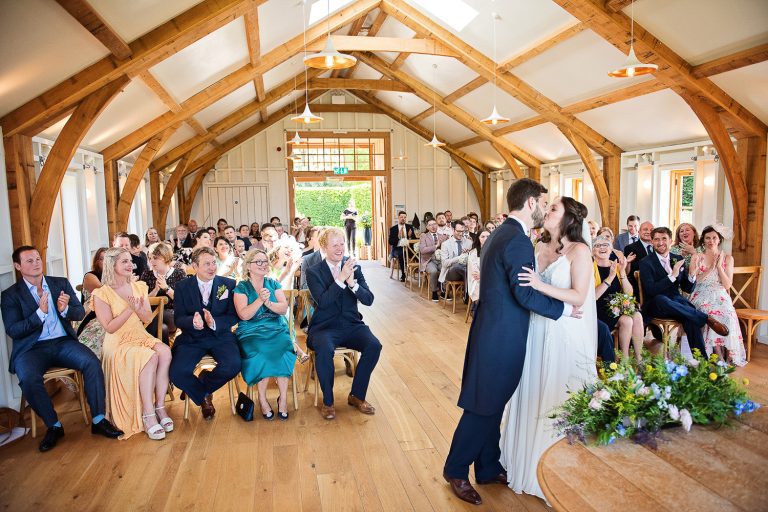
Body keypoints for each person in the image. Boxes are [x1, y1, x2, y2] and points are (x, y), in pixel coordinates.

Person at [443, 181, 578, 505]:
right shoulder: (516, 239)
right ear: (531, 203)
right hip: (500, 335)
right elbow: (524, 293)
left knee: (493, 401)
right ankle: (456, 469)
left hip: (493, 328)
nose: (545, 209)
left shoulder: (503, 233)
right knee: (482, 405)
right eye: (543, 203)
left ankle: (488, 466)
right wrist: (564, 309)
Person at [500, 196, 597, 501]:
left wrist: (539, 285)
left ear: (568, 218)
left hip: (563, 331)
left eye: (554, 208)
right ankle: (524, 460)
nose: (547, 210)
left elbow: (580, 296)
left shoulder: (579, 251)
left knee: (557, 392)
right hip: (536, 328)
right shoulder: (539, 246)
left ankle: (560, 471)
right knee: (532, 387)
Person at [2, 246, 123, 452]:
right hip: (32, 349)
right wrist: (40, 314)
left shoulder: (59, 283)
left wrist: (64, 309)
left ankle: (99, 419)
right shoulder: (10, 295)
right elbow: (14, 330)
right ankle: (54, 426)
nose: (36, 263)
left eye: (38, 258)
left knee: (92, 362)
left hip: (63, 343)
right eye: (29, 261)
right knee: (28, 378)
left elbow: (78, 313)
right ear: (17, 266)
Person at [92, 248, 173, 440]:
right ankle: (148, 415)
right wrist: (130, 309)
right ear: (112, 265)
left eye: (130, 261)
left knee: (165, 351)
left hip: (139, 334)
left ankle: (159, 406)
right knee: (150, 356)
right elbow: (110, 328)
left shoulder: (139, 287)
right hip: (118, 341)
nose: (130, 265)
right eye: (124, 262)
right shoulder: (101, 293)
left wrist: (139, 308)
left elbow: (146, 318)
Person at [306, 228, 381, 421]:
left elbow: (369, 300)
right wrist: (340, 279)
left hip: (351, 324)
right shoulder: (313, 272)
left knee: (374, 345)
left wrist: (353, 284)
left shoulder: (354, 267)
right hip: (324, 327)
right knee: (324, 350)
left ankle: (356, 395)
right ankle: (328, 402)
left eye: (342, 244)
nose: (340, 249)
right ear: (324, 247)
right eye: (335, 245)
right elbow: (323, 302)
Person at [170, 247, 241, 420]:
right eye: (206, 264)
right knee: (177, 373)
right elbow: (179, 318)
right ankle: (203, 396)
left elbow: (233, 316)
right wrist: (192, 322)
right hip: (192, 338)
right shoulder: (182, 287)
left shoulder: (228, 284)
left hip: (220, 337)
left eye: (213, 263)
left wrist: (214, 323)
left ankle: (200, 385)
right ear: (194, 266)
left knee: (233, 364)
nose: (212, 267)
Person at [639, 227, 729, 357]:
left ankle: (702, 361)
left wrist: (692, 274)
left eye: (664, 239)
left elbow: (687, 288)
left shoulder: (677, 258)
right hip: (656, 305)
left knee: (690, 320)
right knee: (661, 299)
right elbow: (651, 290)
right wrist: (672, 276)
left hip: (677, 304)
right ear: (652, 242)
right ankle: (706, 318)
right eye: (656, 239)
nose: (660, 243)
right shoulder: (645, 262)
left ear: (670, 241)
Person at [234, 249, 300, 420]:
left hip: (275, 328)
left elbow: (283, 308)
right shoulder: (241, 287)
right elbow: (244, 315)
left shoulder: (273, 283)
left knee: (284, 349)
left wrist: (268, 302)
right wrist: (259, 300)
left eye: (265, 261)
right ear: (249, 266)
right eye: (259, 262)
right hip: (251, 331)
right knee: (260, 353)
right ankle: (262, 400)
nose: (263, 265)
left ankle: (283, 399)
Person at [689, 225, 746, 366]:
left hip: (720, 293)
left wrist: (719, 267)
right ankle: (717, 355)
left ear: (719, 240)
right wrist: (712, 267)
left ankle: (727, 354)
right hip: (700, 292)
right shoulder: (697, 257)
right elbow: (695, 280)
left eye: (714, 237)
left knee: (728, 313)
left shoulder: (728, 258)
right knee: (710, 313)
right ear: (703, 240)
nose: (711, 241)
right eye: (707, 238)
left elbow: (727, 285)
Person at [593, 235, 644, 363]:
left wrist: (621, 273)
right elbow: (592, 297)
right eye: (598, 245)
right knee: (626, 321)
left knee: (637, 316)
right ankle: (625, 360)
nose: (602, 248)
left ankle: (639, 359)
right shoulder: (590, 267)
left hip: (616, 307)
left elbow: (628, 293)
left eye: (606, 245)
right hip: (597, 309)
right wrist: (609, 278)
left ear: (611, 250)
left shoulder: (615, 265)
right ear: (592, 250)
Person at [141, 242, 186, 344]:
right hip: (151, 314)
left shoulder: (179, 274)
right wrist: (155, 290)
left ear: (165, 257)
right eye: (150, 258)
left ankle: (147, 345)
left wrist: (166, 288)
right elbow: (143, 301)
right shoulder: (146, 274)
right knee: (163, 329)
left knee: (163, 316)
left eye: (155, 258)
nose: (151, 261)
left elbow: (183, 300)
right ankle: (165, 355)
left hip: (172, 314)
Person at [77, 248, 107, 358]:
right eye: (102, 259)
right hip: (92, 313)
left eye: (109, 259)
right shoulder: (90, 276)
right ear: (96, 262)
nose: (105, 262)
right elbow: (103, 292)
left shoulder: (117, 277)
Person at [419, 219, 448, 302]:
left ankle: (443, 291)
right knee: (433, 271)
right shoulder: (424, 236)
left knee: (445, 268)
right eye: (430, 225)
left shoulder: (443, 236)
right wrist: (435, 246)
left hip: (440, 260)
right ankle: (434, 291)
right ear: (427, 227)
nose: (433, 226)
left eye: (434, 224)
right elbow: (423, 250)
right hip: (429, 260)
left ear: (437, 225)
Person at [623, 220, 654, 294]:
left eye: (651, 230)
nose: (648, 232)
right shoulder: (630, 248)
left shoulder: (658, 247)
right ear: (639, 232)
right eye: (645, 229)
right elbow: (630, 272)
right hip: (639, 287)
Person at [438, 221, 472, 287]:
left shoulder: (469, 242)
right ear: (453, 230)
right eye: (458, 231)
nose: (461, 234)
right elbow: (444, 263)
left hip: (466, 270)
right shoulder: (445, 244)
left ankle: (468, 293)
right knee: (458, 267)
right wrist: (460, 258)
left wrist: (469, 254)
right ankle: (467, 294)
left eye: (462, 231)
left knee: (466, 270)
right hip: (450, 272)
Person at [388, 211, 414, 282]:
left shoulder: (410, 227)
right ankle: (403, 274)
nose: (403, 219)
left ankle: (419, 271)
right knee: (401, 254)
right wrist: (398, 237)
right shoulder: (393, 229)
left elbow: (414, 240)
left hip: (408, 248)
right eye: (401, 217)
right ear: (398, 218)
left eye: (405, 217)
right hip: (397, 249)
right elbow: (390, 242)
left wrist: (409, 236)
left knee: (418, 253)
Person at [467, 229, 490, 306]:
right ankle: (478, 312)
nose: (485, 239)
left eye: (488, 236)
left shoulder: (495, 251)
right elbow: (475, 273)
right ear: (478, 239)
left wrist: (484, 275)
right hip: (477, 281)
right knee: (479, 289)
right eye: (482, 237)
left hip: (491, 279)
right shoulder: (473, 253)